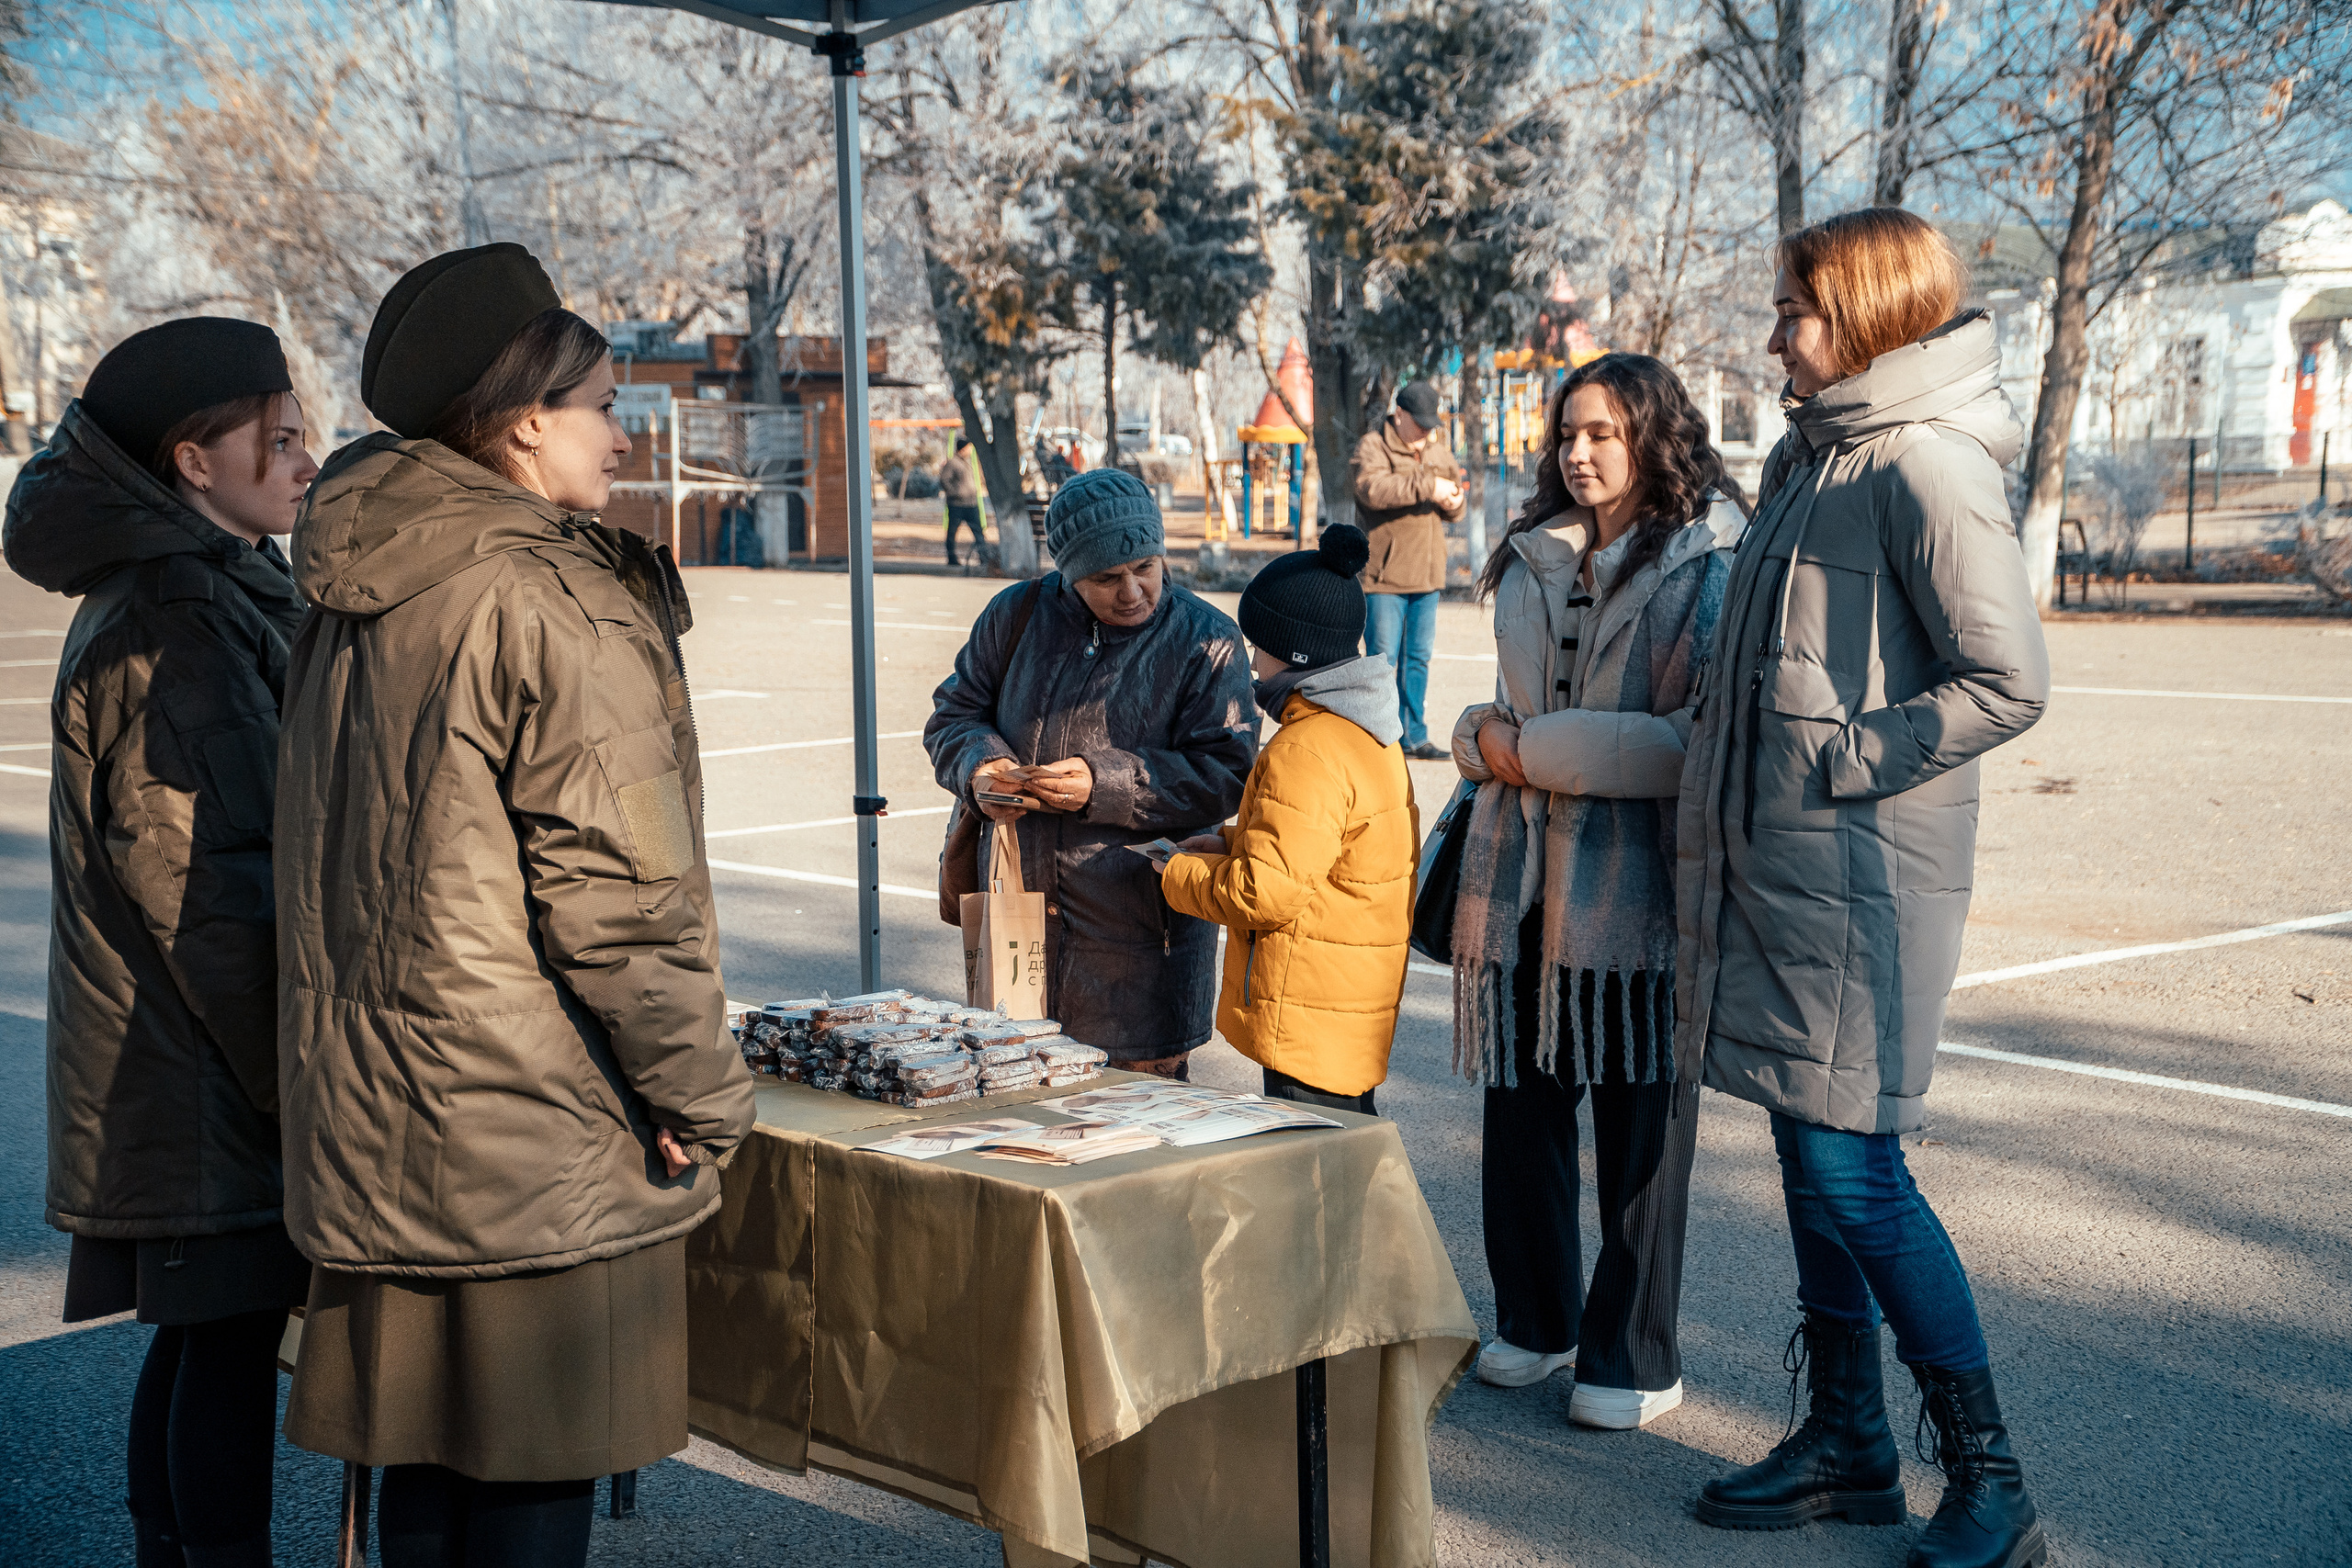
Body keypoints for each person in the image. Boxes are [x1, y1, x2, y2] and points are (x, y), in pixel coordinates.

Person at [273, 243, 756, 1568]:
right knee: (529, 1492)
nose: (622, 430)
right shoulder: (548, 595)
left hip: (386, 1116)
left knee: (425, 1489)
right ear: (524, 417)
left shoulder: (358, 577)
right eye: (603, 401)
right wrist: (700, 1096)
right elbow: (624, 902)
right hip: (535, 1135)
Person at [1679, 209, 2050, 1568]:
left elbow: (2007, 680)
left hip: (1856, 887)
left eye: (1798, 309)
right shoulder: (1809, 453)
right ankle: (1849, 1438)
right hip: (1781, 874)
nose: (1777, 332)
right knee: (1804, 1146)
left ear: (1870, 317)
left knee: (1855, 1168)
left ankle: (1993, 1475)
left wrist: (1845, 756)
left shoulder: (1928, 469)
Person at [4, 319, 318, 1568]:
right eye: (280, 438)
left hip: (182, 1062)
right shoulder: (174, 616)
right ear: (195, 459)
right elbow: (209, 885)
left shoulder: (212, 578)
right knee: (226, 1336)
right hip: (193, 1067)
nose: (306, 459)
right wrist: (292, 1070)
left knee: (206, 1330)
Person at [1446, 353, 1743, 1430]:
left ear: (1652, 437)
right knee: (1521, 1111)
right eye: (1567, 433)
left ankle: (1632, 1356)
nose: (1578, 453)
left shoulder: (1706, 566)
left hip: (1642, 896)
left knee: (1637, 1129)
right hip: (1522, 874)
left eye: (1604, 434)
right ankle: (1538, 1320)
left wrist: (1534, 750)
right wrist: (1479, 735)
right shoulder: (1531, 557)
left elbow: (1696, 742)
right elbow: (1511, 711)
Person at [925, 468, 1255, 1077]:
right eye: (1107, 578)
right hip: (1017, 924)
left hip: (1140, 952)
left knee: (1136, 1144)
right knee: (1021, 1128)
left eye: (1146, 568)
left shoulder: (1207, 639)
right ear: (1069, 574)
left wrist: (1100, 784)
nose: (1132, 591)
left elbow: (1226, 772)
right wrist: (982, 768)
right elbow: (953, 713)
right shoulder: (1016, 614)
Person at [1156, 525, 1416, 1113]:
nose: (1251, 658)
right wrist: (1226, 840)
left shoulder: (1306, 747)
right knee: (1343, 1171)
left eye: (1259, 645)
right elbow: (1322, 842)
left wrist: (1176, 874)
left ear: (1292, 651)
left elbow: (1263, 891)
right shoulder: (1366, 730)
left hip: (1309, 1017)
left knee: (1318, 1188)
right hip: (1345, 1006)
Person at [1351, 378, 1465, 761]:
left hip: (1428, 576)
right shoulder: (1373, 447)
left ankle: (1414, 736)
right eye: (1419, 423)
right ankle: (1379, 738)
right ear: (1399, 414)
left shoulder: (1437, 448)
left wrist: (1454, 500)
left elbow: (1454, 501)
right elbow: (1373, 489)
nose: (1426, 432)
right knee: (1382, 661)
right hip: (1384, 578)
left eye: (1431, 424)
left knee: (1417, 660)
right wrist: (1429, 484)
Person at [939, 435, 987, 567]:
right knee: (952, 532)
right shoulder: (953, 463)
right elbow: (944, 480)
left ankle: (984, 556)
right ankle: (952, 557)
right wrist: (956, 493)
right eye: (969, 448)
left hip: (971, 503)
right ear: (963, 449)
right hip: (957, 504)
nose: (971, 451)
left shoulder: (969, 462)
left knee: (978, 531)